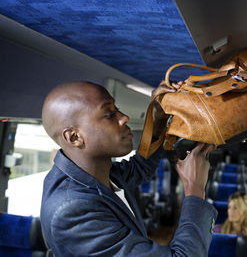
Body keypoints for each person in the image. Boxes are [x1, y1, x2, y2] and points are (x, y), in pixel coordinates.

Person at [40, 81, 217, 256]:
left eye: (116, 108)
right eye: (109, 113)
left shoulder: (89, 173)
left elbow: (140, 169)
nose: (124, 117)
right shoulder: (72, 211)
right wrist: (195, 189)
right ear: (74, 137)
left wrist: (158, 118)